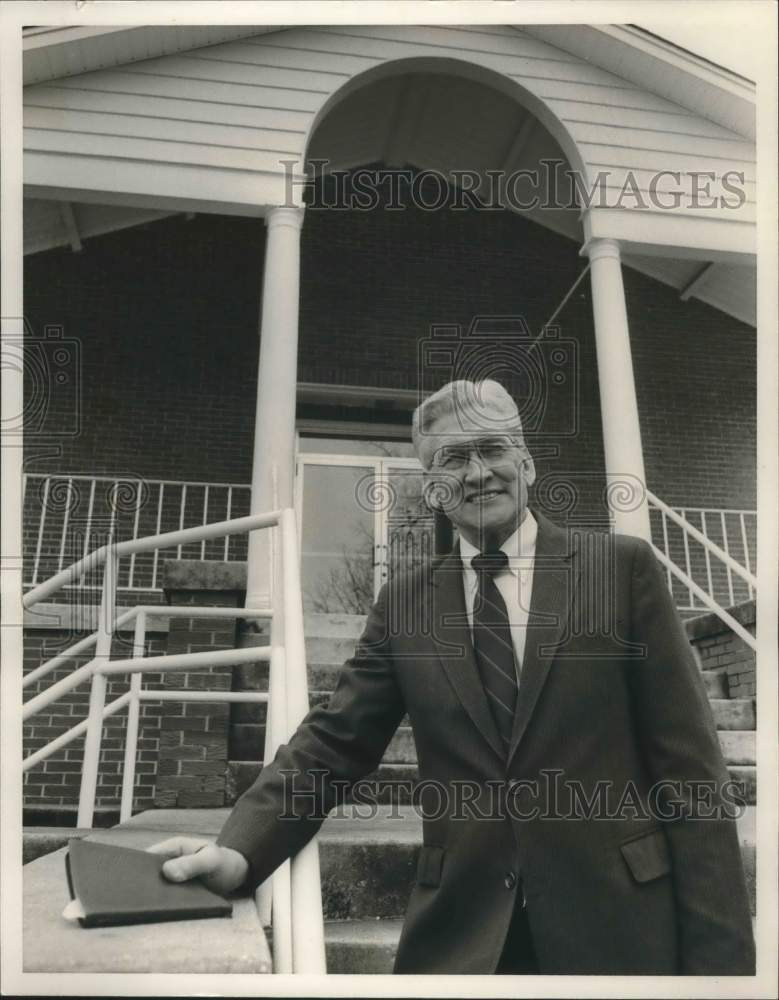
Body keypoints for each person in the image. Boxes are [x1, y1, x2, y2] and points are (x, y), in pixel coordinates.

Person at [150, 379, 755, 975]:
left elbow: (692, 772)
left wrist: (722, 970)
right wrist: (239, 850)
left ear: (527, 462)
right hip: (465, 945)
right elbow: (333, 743)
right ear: (432, 488)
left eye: (492, 448)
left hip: (619, 934)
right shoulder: (405, 605)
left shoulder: (620, 572)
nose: (477, 472)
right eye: (453, 459)